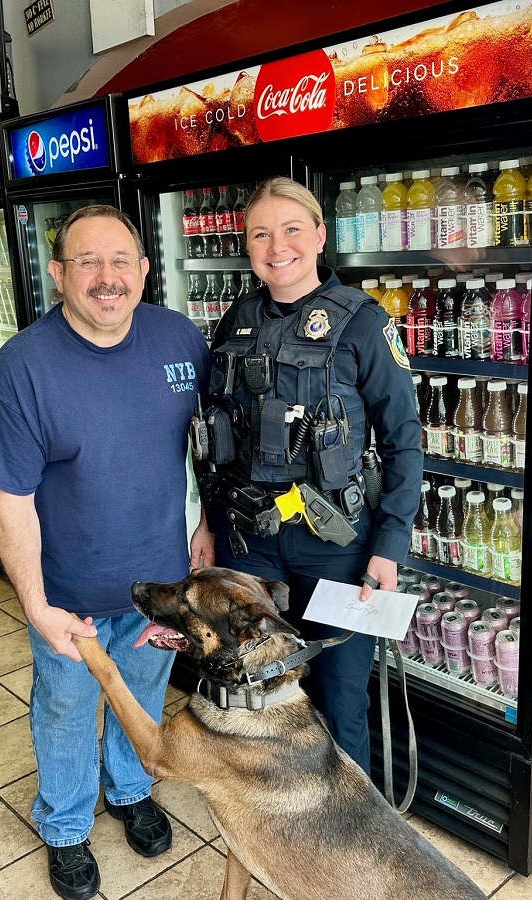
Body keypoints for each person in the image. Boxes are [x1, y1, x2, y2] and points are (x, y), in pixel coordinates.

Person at [0, 205, 212, 900]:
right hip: (68, 594)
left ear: (143, 270)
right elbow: (10, 502)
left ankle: (130, 791)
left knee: (141, 694)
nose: (107, 280)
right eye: (87, 263)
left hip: (160, 583)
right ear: (58, 274)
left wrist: (205, 526)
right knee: (67, 709)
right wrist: (36, 605)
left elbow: (202, 448)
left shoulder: (179, 341)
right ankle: (67, 827)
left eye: (121, 263)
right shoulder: (22, 369)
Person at [196, 177, 424, 774]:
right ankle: (273, 812)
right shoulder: (236, 320)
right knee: (253, 684)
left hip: (336, 545)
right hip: (248, 540)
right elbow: (218, 432)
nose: (278, 247)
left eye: (292, 230)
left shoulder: (363, 324)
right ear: (247, 246)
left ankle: (350, 841)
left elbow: (404, 439)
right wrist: (206, 523)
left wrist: (390, 545)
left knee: (340, 697)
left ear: (320, 236)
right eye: (261, 234)